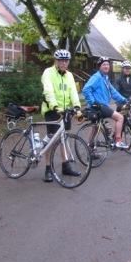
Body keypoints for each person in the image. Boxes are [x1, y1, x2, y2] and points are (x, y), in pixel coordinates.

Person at [41, 49, 82, 183]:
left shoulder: (69, 75)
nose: (64, 63)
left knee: (63, 137)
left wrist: (77, 107)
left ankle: (65, 166)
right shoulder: (48, 72)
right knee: (52, 139)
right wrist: (54, 106)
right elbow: (48, 91)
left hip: (65, 110)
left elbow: (73, 92)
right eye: (61, 60)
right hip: (52, 109)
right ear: (56, 61)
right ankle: (48, 168)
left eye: (66, 61)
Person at [82, 56, 129, 150]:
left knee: (95, 128)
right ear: (100, 66)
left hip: (100, 106)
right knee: (120, 117)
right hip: (99, 106)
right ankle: (118, 141)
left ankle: (89, 148)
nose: (106, 66)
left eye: (108, 64)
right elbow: (86, 89)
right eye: (104, 64)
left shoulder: (105, 78)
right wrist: (93, 102)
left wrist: (124, 100)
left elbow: (113, 92)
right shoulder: (97, 77)